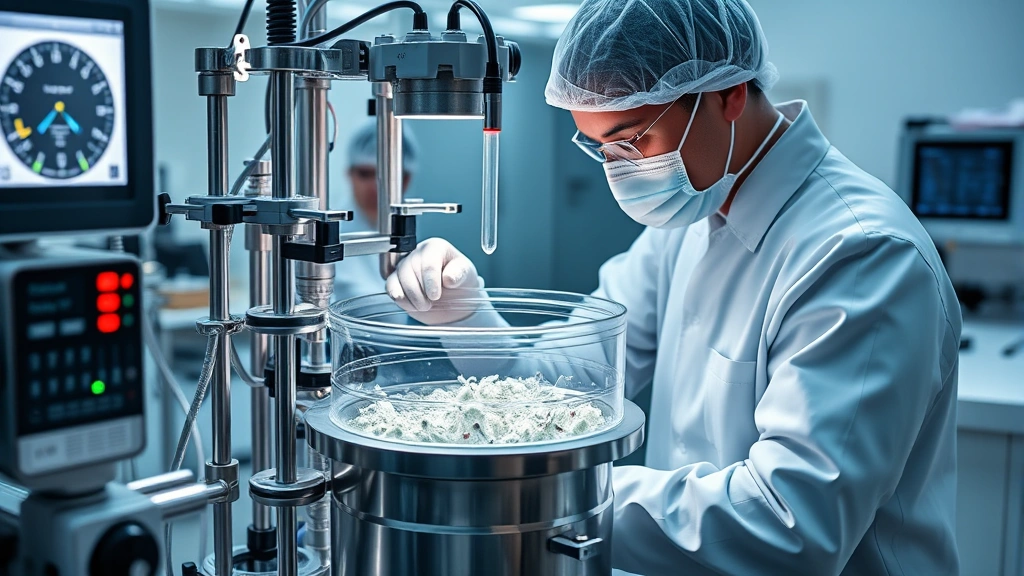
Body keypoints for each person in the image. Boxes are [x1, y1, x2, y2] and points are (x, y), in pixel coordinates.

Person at [385, 0, 962, 574]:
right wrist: (465, 315)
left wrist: (559, 499)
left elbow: (791, 524)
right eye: (602, 148)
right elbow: (559, 393)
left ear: (728, 95)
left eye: (633, 139)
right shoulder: (686, 225)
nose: (620, 170)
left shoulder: (860, 254)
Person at [333, 121, 418, 300]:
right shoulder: (331, 236)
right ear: (349, 175)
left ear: (407, 180)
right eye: (365, 174)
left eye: (386, 176)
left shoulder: (405, 234)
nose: (374, 187)